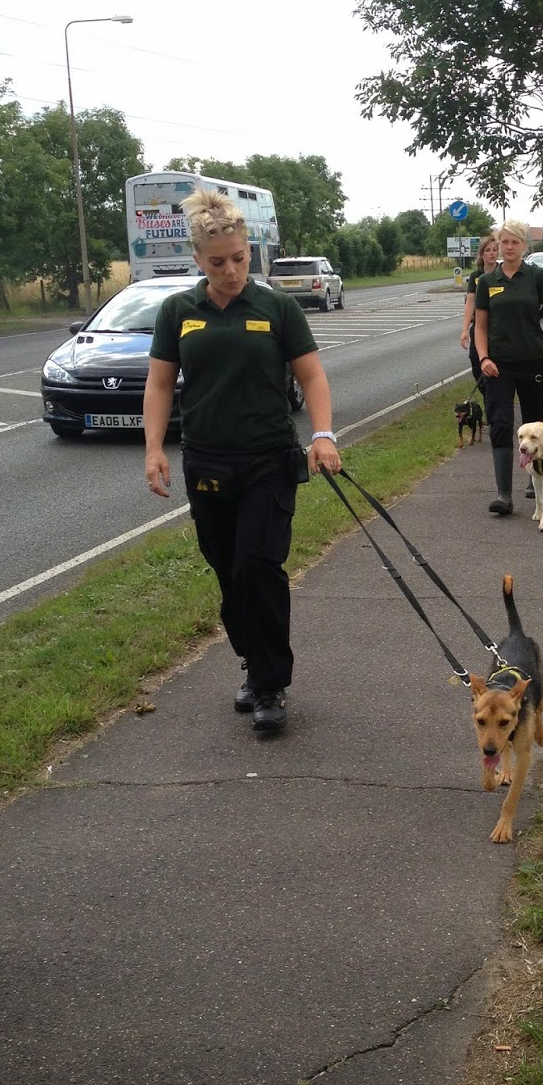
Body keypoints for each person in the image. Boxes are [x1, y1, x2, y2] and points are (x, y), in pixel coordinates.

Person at [143, 187, 340, 735]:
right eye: (217, 263)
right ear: (197, 260)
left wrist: (323, 435)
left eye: (238, 258)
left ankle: (271, 683)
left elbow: (311, 376)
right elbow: (159, 384)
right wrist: (154, 448)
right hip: (206, 462)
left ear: (249, 251)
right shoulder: (178, 311)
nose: (230, 271)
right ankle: (253, 663)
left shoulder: (276, 308)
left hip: (267, 461)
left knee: (257, 567)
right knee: (229, 573)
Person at [473, 220, 543, 515]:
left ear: (524, 245)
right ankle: (503, 494)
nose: (509, 247)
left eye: (515, 242)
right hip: (498, 366)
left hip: (533, 362)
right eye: (504, 242)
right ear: (498, 245)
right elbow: (480, 326)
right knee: (501, 423)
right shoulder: (487, 281)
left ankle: (535, 478)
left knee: (536, 422)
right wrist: (484, 358)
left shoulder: (537, 277)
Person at [459, 235, 500, 381]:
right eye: (488, 250)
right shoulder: (476, 276)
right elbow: (470, 303)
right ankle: (485, 389)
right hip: (480, 325)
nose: (491, 253)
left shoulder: (502, 272)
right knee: (476, 360)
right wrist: (465, 329)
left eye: (494, 250)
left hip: (498, 326)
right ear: (482, 254)